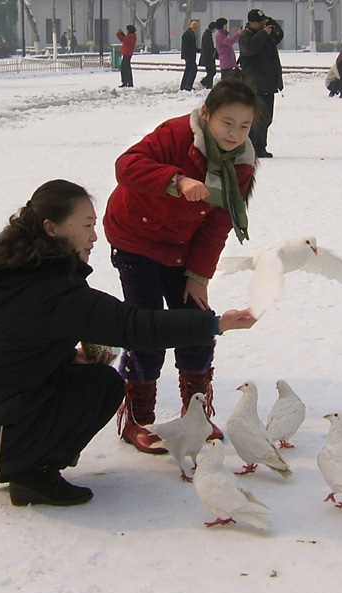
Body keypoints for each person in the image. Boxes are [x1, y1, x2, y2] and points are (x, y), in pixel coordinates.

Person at [0, 180, 258, 506]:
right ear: (51, 228)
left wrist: (67, 359)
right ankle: (31, 472)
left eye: (94, 225)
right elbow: (136, 326)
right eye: (86, 226)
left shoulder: (11, 269)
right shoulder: (53, 291)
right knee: (103, 385)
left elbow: (9, 345)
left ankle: (16, 455)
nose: (94, 237)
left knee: (84, 375)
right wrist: (215, 323)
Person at [102, 79, 259, 453]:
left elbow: (219, 222)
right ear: (206, 115)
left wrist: (199, 276)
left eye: (245, 126)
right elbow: (126, 167)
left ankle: (196, 414)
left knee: (196, 322)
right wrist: (176, 180)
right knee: (147, 326)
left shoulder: (241, 164)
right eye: (227, 123)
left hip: (181, 248)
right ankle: (138, 418)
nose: (235, 133)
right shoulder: (175, 135)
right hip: (135, 240)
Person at [238, 9, 284, 159]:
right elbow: (250, 49)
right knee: (255, 119)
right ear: (251, 23)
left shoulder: (266, 35)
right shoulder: (246, 36)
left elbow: (279, 35)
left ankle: (261, 147)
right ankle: (253, 148)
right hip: (254, 85)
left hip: (268, 84)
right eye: (260, 22)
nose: (263, 24)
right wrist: (263, 33)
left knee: (266, 118)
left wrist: (269, 21)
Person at [180, 21, 200, 91]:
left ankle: (183, 85)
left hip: (188, 55)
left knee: (188, 70)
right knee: (194, 69)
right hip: (189, 56)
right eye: (196, 28)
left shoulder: (188, 34)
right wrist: (197, 50)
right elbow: (191, 46)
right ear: (194, 28)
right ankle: (188, 85)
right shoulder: (189, 35)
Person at [199, 22, 218, 89]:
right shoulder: (207, 35)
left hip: (207, 57)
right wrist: (215, 51)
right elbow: (209, 47)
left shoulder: (207, 34)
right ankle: (205, 83)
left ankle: (207, 84)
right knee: (212, 71)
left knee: (211, 71)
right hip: (208, 57)